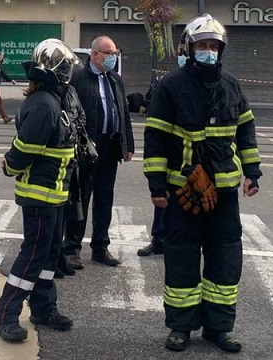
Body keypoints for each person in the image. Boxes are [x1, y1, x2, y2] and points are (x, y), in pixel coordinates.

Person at [143, 13, 261, 353]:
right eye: (202, 45)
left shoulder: (231, 85)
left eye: (213, 46)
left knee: (225, 259)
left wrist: (252, 172)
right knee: (181, 258)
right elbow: (156, 138)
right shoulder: (171, 86)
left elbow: (245, 131)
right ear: (189, 48)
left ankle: (219, 327)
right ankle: (180, 327)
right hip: (183, 190)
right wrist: (156, 185)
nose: (208, 51)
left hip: (224, 191)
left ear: (221, 50)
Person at [0, 38, 80, 342]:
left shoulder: (53, 98)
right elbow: (26, 149)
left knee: (49, 255)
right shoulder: (45, 104)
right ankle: (6, 315)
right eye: (66, 66)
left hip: (54, 194)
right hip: (40, 194)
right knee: (32, 256)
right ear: (56, 70)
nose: (69, 72)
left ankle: (43, 309)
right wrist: (9, 165)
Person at [62, 35, 134, 269]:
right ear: (94, 54)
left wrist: (127, 145)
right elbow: (70, 113)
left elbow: (123, 112)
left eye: (115, 53)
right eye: (109, 53)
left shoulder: (115, 79)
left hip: (110, 148)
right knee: (80, 199)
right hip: (86, 149)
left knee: (105, 199)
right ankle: (72, 248)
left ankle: (100, 247)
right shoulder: (78, 79)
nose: (113, 57)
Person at [137, 29, 191, 258]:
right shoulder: (171, 82)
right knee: (164, 201)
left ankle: (181, 242)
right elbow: (156, 129)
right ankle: (159, 239)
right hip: (171, 155)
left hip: (194, 158)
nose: (180, 55)